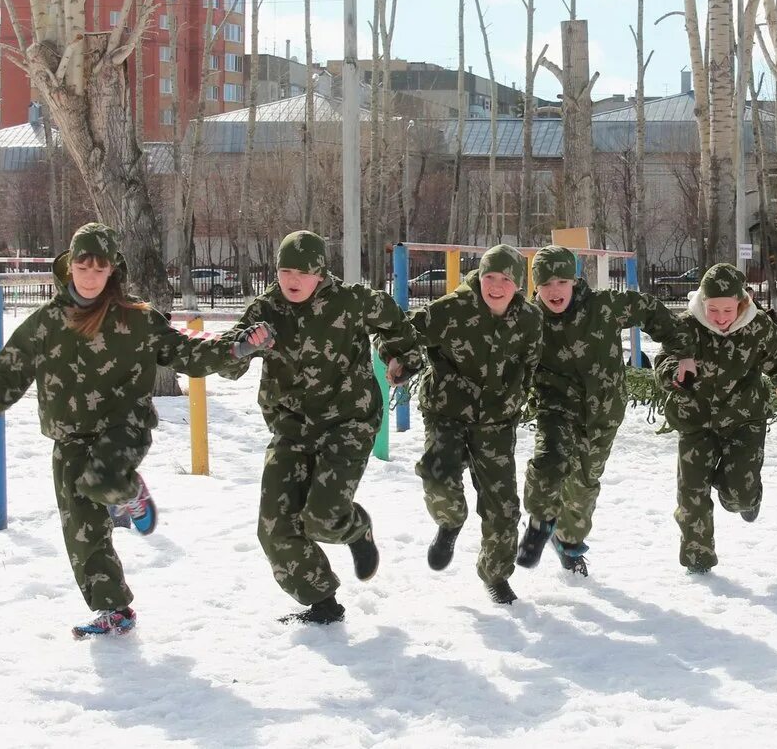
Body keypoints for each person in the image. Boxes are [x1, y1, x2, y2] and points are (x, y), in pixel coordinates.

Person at [0, 223, 272, 638]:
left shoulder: (137, 319)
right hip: (69, 436)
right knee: (81, 530)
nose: (91, 276)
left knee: (102, 479)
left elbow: (187, 352)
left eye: (100, 268)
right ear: (70, 268)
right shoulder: (47, 323)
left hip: (123, 426)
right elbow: (10, 370)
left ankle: (130, 491)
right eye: (83, 266)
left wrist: (238, 347)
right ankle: (115, 609)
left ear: (113, 271)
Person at [224, 230, 424, 625]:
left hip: (348, 421)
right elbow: (229, 363)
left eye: (302, 272)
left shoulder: (352, 301)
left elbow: (399, 329)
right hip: (291, 426)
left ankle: (355, 528)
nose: (292, 280)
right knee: (274, 526)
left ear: (320, 273)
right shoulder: (266, 310)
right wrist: (243, 347)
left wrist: (402, 359)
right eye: (284, 271)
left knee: (321, 518)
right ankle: (322, 603)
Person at [516, 246, 696, 577]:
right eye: (546, 284)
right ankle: (539, 522)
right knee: (550, 461)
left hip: (603, 413)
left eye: (561, 282)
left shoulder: (603, 306)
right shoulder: (529, 319)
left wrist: (682, 350)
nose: (555, 291)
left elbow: (650, 309)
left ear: (574, 281)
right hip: (556, 407)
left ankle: (567, 542)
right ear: (536, 287)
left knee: (584, 483)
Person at [410, 244, 543, 605]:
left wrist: (514, 398)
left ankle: (496, 574)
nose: (495, 286)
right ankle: (450, 523)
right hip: (447, 412)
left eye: (504, 279)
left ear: (518, 283)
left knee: (502, 507)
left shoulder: (529, 319)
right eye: (488, 277)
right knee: (439, 478)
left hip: (496, 421)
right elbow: (404, 337)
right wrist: (398, 362)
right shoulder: (450, 310)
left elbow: (530, 363)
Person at [654, 263, 777, 574]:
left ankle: (743, 498)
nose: (719, 317)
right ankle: (698, 560)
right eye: (712, 309)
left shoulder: (758, 327)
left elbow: (776, 358)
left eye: (726, 309)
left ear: (741, 303)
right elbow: (664, 360)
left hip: (743, 420)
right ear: (702, 303)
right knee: (692, 494)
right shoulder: (687, 328)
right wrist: (675, 374)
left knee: (740, 496)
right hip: (695, 421)